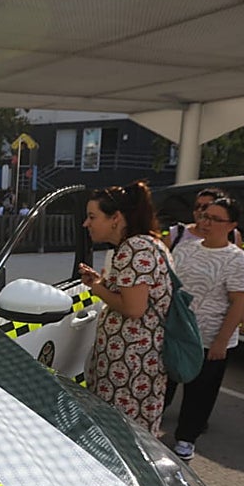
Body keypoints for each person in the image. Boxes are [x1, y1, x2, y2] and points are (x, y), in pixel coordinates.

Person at [164, 196, 244, 461]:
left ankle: (185, 439)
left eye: (215, 219)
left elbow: (239, 304)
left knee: (200, 393)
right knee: (166, 383)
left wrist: (220, 341)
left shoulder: (239, 261)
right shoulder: (185, 250)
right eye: (205, 216)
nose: (206, 222)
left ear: (232, 225)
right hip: (178, 333)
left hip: (210, 338)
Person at [78, 181, 172, 435]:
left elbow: (133, 308)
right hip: (135, 361)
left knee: (125, 435)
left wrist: (97, 287)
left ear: (116, 218)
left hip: (130, 367)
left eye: (92, 216)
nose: (86, 224)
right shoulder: (148, 244)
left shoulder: (134, 249)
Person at [163, 187, 243, 250]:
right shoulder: (177, 233)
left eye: (205, 207)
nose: (200, 210)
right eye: (197, 206)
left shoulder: (233, 236)